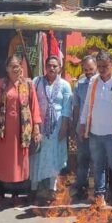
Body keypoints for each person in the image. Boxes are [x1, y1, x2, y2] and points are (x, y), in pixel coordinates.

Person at [0, 55, 42, 206]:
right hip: (4, 131)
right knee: (3, 163)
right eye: (13, 66)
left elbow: (34, 108)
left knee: (19, 163)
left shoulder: (28, 84)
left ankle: (16, 194)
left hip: (22, 131)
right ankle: (2, 194)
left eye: (18, 66)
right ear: (7, 68)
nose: (16, 69)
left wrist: (36, 128)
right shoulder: (1, 84)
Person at [79, 50, 112, 213]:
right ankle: (99, 197)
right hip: (95, 132)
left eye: (105, 66)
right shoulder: (93, 81)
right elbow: (87, 104)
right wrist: (82, 123)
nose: (101, 69)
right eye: (99, 66)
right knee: (98, 166)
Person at [31, 56, 72, 203]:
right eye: (49, 65)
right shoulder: (37, 82)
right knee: (38, 156)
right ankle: (37, 189)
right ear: (45, 67)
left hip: (57, 127)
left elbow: (67, 108)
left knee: (55, 158)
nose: (52, 68)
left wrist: (64, 127)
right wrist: (34, 127)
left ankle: (52, 189)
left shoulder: (65, 85)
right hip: (40, 126)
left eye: (55, 66)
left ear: (60, 68)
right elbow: (33, 103)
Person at [71, 55, 98, 201]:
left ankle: (96, 192)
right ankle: (81, 188)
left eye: (91, 69)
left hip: (98, 130)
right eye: (86, 69)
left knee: (97, 161)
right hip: (82, 129)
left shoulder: (101, 83)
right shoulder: (79, 85)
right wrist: (75, 127)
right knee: (82, 160)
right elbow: (76, 108)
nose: (88, 72)